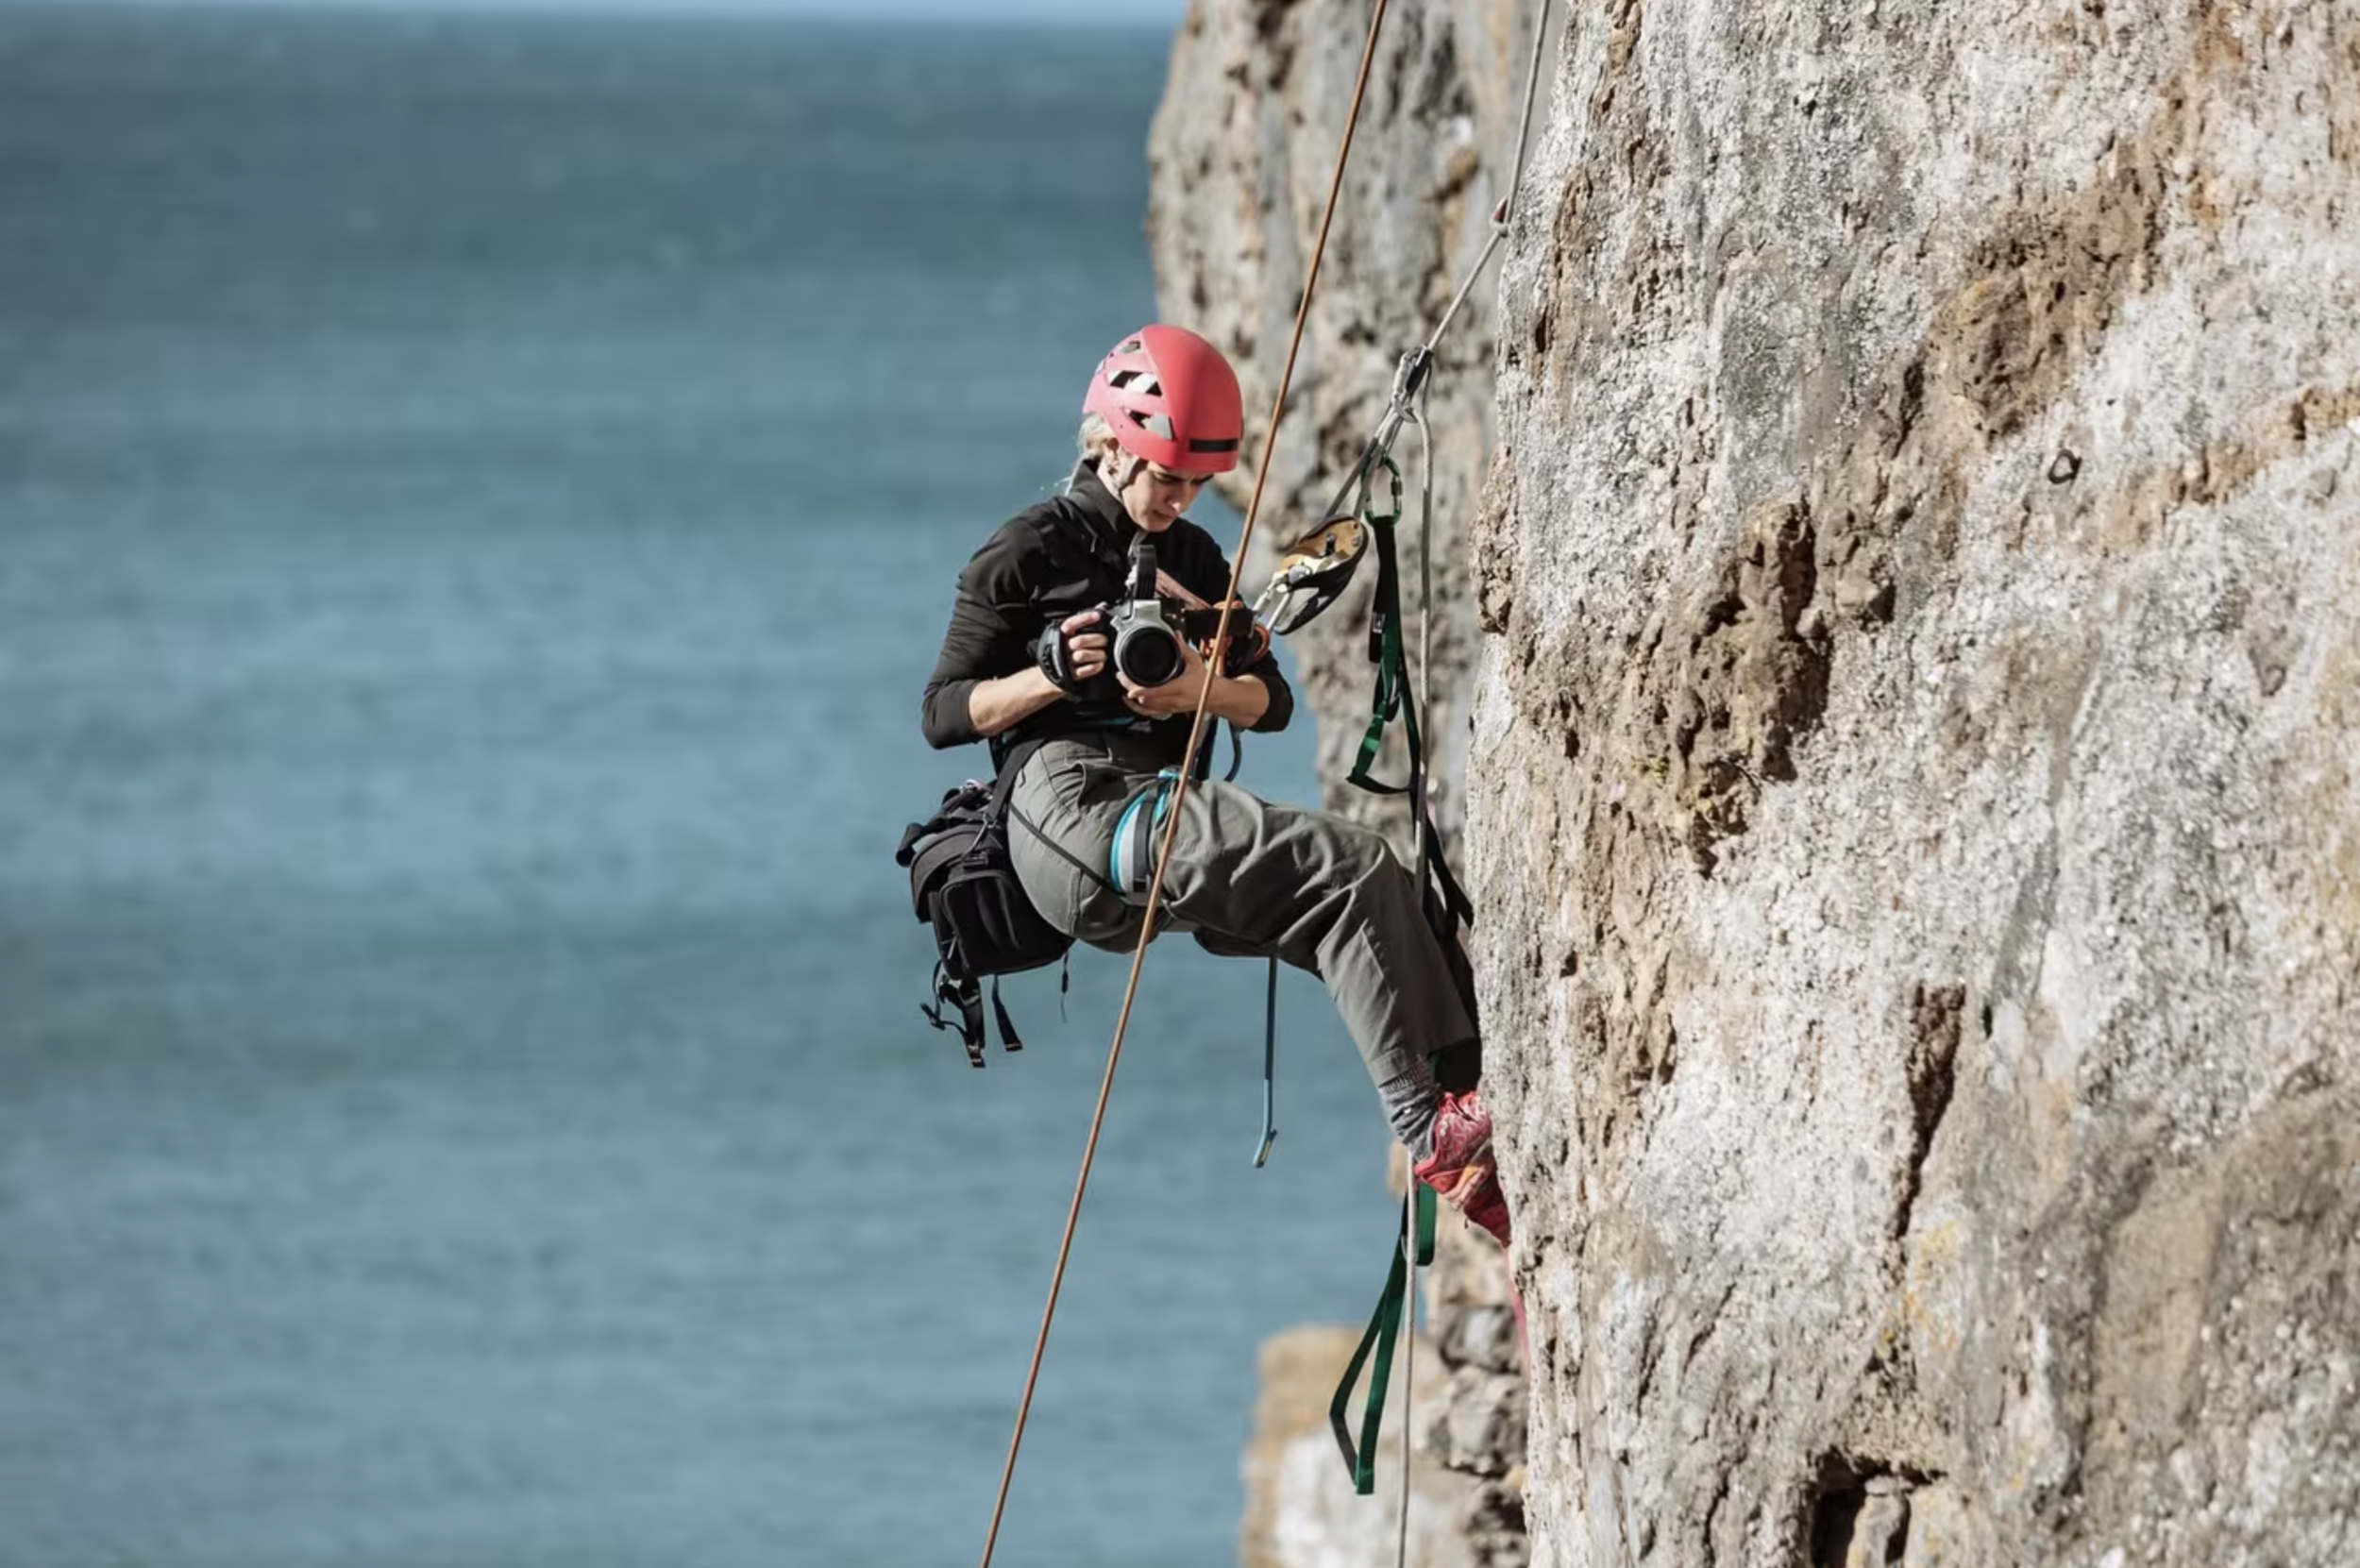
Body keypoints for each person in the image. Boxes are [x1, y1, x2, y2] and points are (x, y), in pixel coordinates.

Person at [919, 324, 1509, 1249]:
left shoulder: (1193, 559)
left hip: (1142, 811)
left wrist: (1195, 686)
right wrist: (1053, 678)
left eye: (1195, 481)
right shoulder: (1027, 549)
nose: (1180, 497)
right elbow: (944, 711)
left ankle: (1473, 1118)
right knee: (1343, 867)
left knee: (1380, 889)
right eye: (1163, 475)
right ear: (1107, 443)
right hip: (1063, 808)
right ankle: (1429, 1125)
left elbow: (1268, 703)